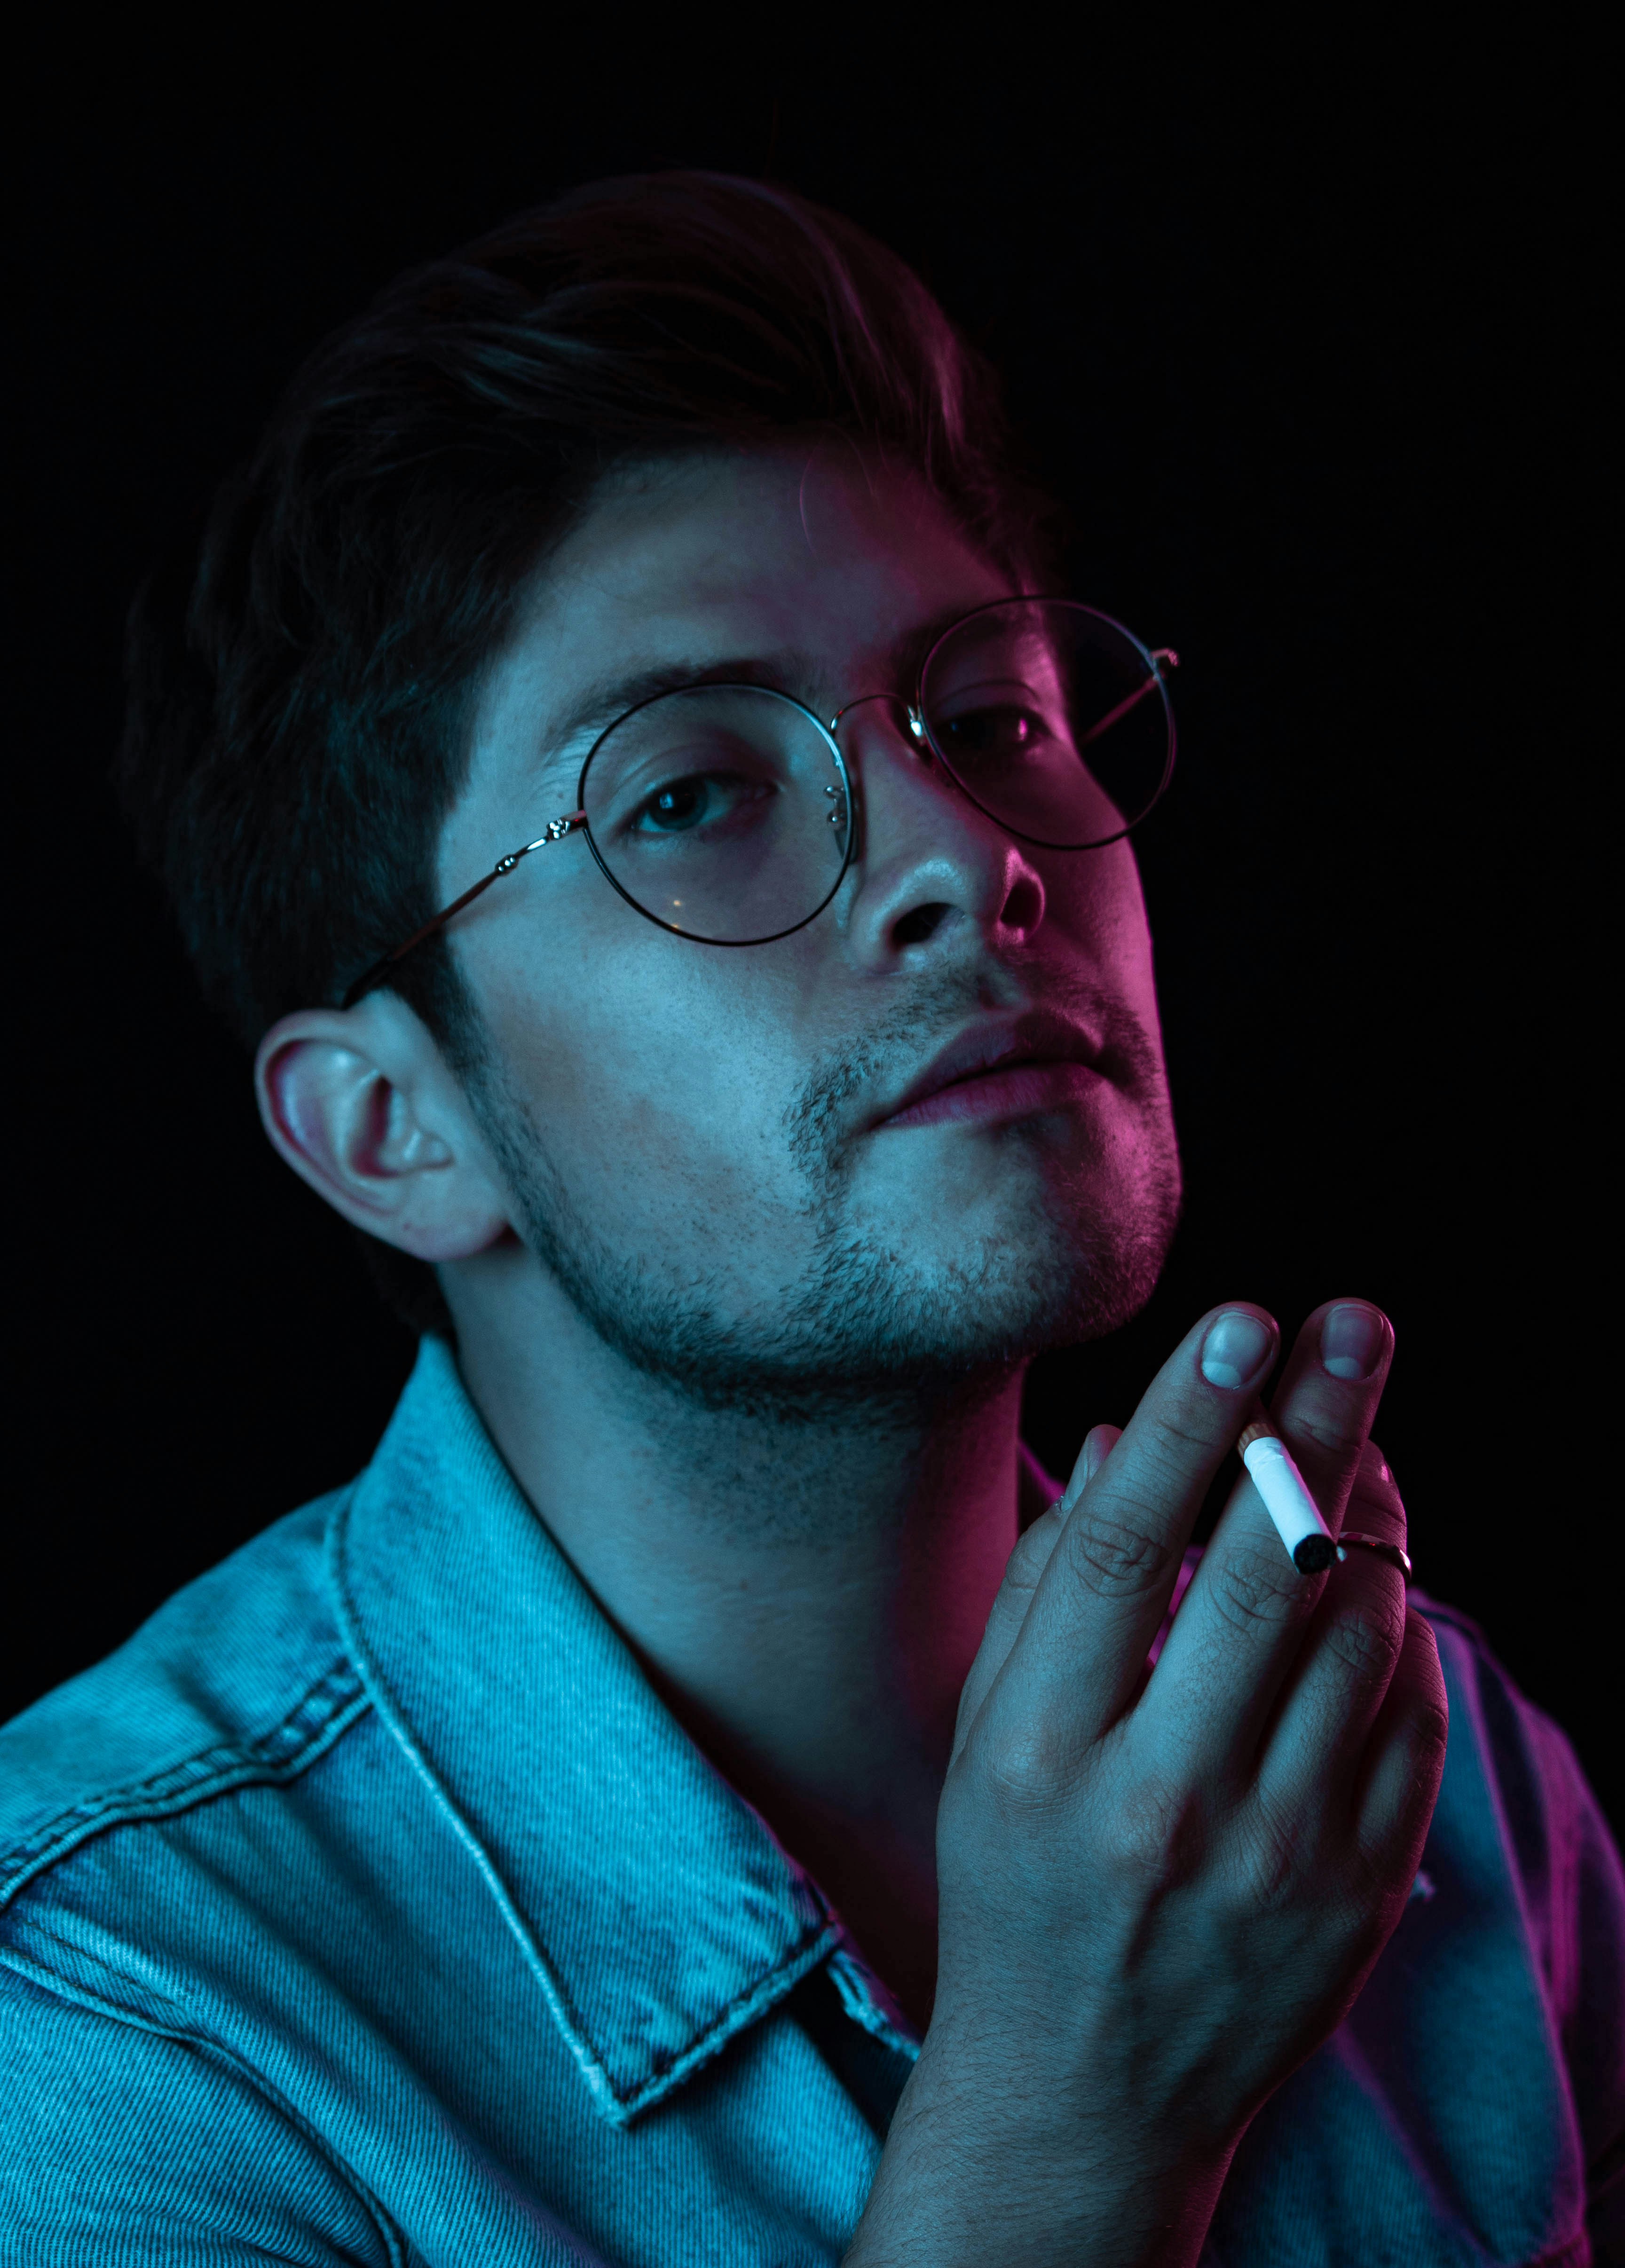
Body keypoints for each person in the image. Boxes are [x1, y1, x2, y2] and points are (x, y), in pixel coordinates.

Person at [1, 172, 1618, 2268]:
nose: (968, 849)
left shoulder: (1435, 1769)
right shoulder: (113, 2032)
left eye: (998, 718)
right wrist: (1065, 2141)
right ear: (394, 1129)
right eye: (690, 795)